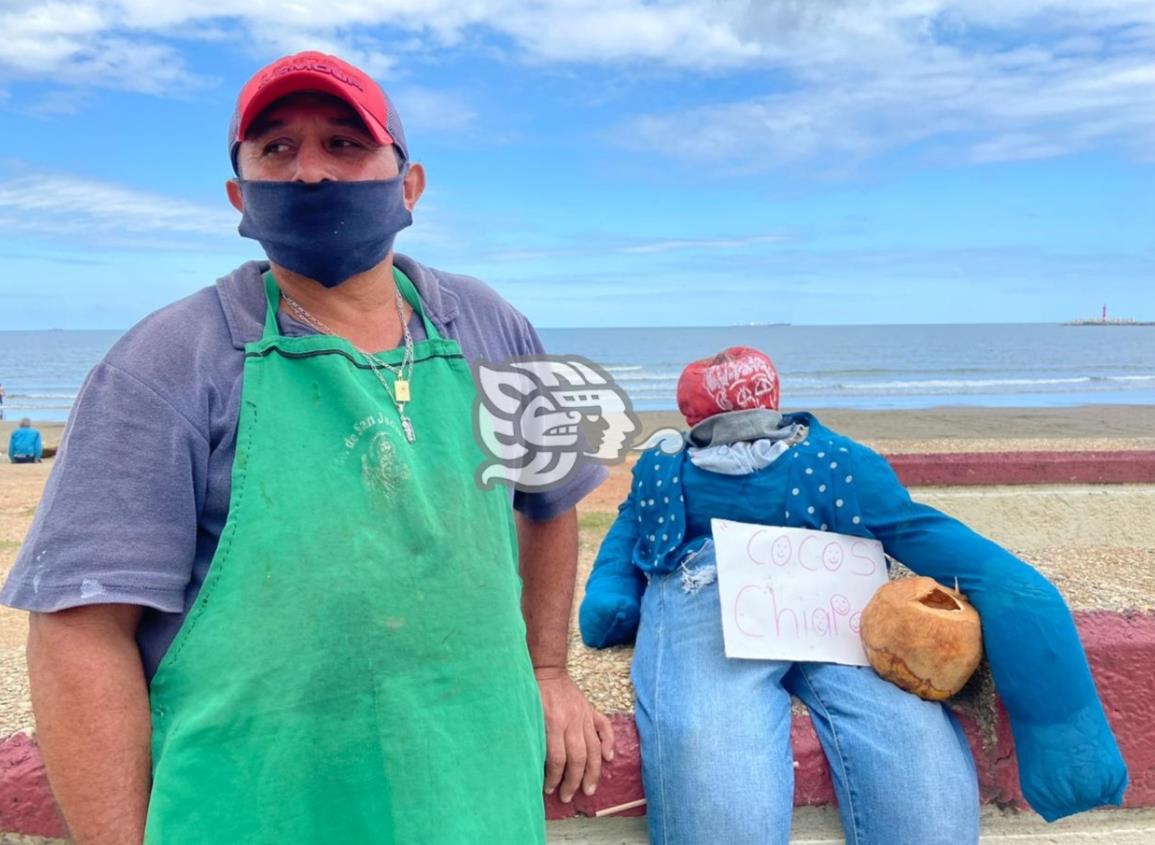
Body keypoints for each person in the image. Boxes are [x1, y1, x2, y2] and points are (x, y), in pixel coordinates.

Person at [1, 51, 613, 844]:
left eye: (345, 144)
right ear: (238, 196)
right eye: (277, 150)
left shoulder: (490, 325)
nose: (312, 174)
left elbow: (552, 497)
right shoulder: (166, 363)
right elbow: (78, 630)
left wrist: (548, 669)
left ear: (410, 183)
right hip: (253, 806)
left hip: (475, 789)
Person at [580, 346, 1127, 845]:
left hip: (825, 593)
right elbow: (629, 527)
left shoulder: (822, 465)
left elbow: (628, 533)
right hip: (780, 589)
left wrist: (610, 604)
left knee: (903, 755)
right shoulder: (830, 463)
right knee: (716, 758)